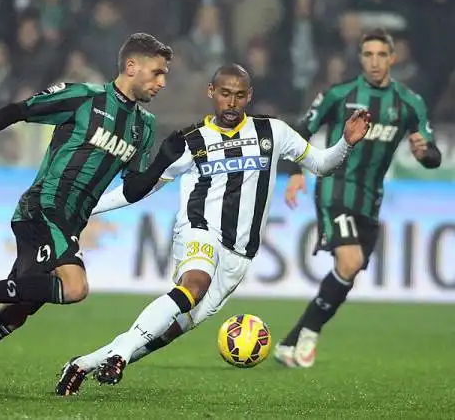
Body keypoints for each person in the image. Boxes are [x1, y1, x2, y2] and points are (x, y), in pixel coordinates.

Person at [0, 32, 186, 400]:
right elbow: (19, 110)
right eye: (157, 73)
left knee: (14, 315)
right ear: (131, 66)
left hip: (70, 220)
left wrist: (164, 157)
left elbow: (133, 189)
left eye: (165, 75)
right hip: (45, 207)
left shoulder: (143, 125)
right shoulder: (84, 97)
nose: (162, 82)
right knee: (75, 287)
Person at [55, 63, 371, 396]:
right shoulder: (191, 141)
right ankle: (119, 354)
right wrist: (89, 206)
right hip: (198, 230)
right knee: (195, 283)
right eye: (224, 94)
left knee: (170, 330)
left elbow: (321, 165)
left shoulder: (273, 133)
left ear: (249, 96)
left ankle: (83, 364)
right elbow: (143, 189)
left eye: (238, 95)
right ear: (211, 93)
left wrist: (346, 143)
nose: (231, 103)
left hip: (239, 255)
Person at [274, 28, 442, 368]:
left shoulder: (410, 103)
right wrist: (294, 174)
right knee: (348, 263)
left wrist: (425, 153)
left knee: (346, 273)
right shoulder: (340, 94)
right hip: (335, 189)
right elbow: (299, 133)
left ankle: (292, 340)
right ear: (361, 57)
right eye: (368, 55)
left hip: (370, 201)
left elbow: (432, 155)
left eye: (382, 55)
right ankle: (309, 336)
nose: (375, 62)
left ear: (393, 58)